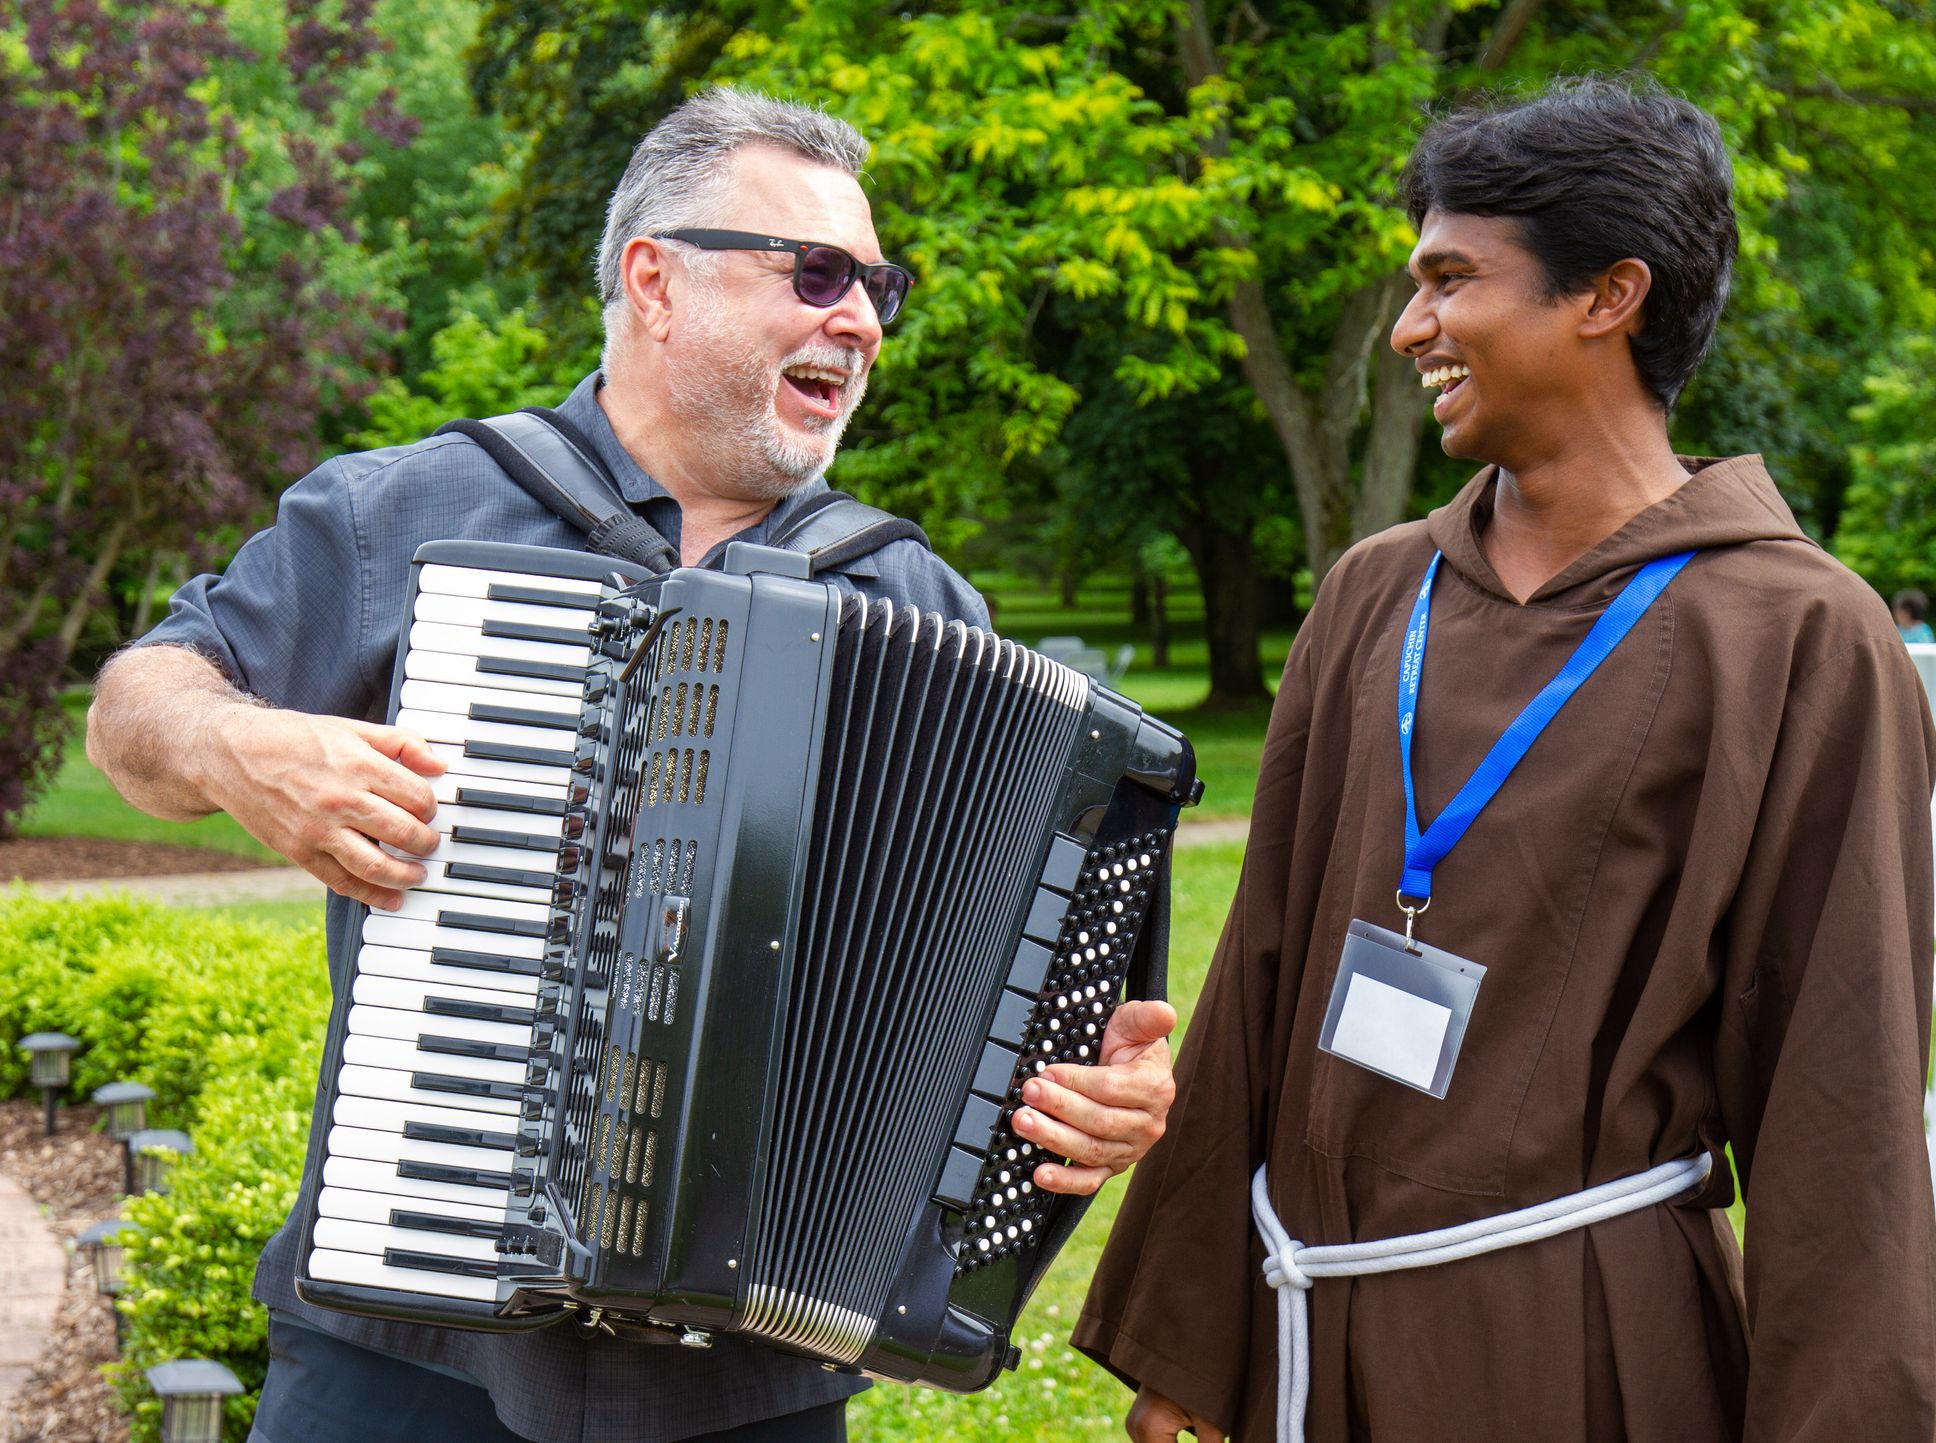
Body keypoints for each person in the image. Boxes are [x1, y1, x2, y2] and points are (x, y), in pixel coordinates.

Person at [85, 88, 1178, 1443]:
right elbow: (136, 707)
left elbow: (988, 1003)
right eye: (818, 272)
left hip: (752, 1386)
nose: (861, 318)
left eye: (878, 287)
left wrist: (1087, 1095)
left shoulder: (918, 601)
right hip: (406, 1357)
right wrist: (233, 741)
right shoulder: (406, 514)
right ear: (654, 281)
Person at [1076, 78, 1936, 1442]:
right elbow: (1260, 966)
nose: (1411, 329)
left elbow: (1843, 1107)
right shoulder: (1378, 591)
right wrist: (1192, 1335)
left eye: (1450, 281)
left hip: (1592, 1354)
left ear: (1607, 298)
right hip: (1322, 1329)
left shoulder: (1800, 637)